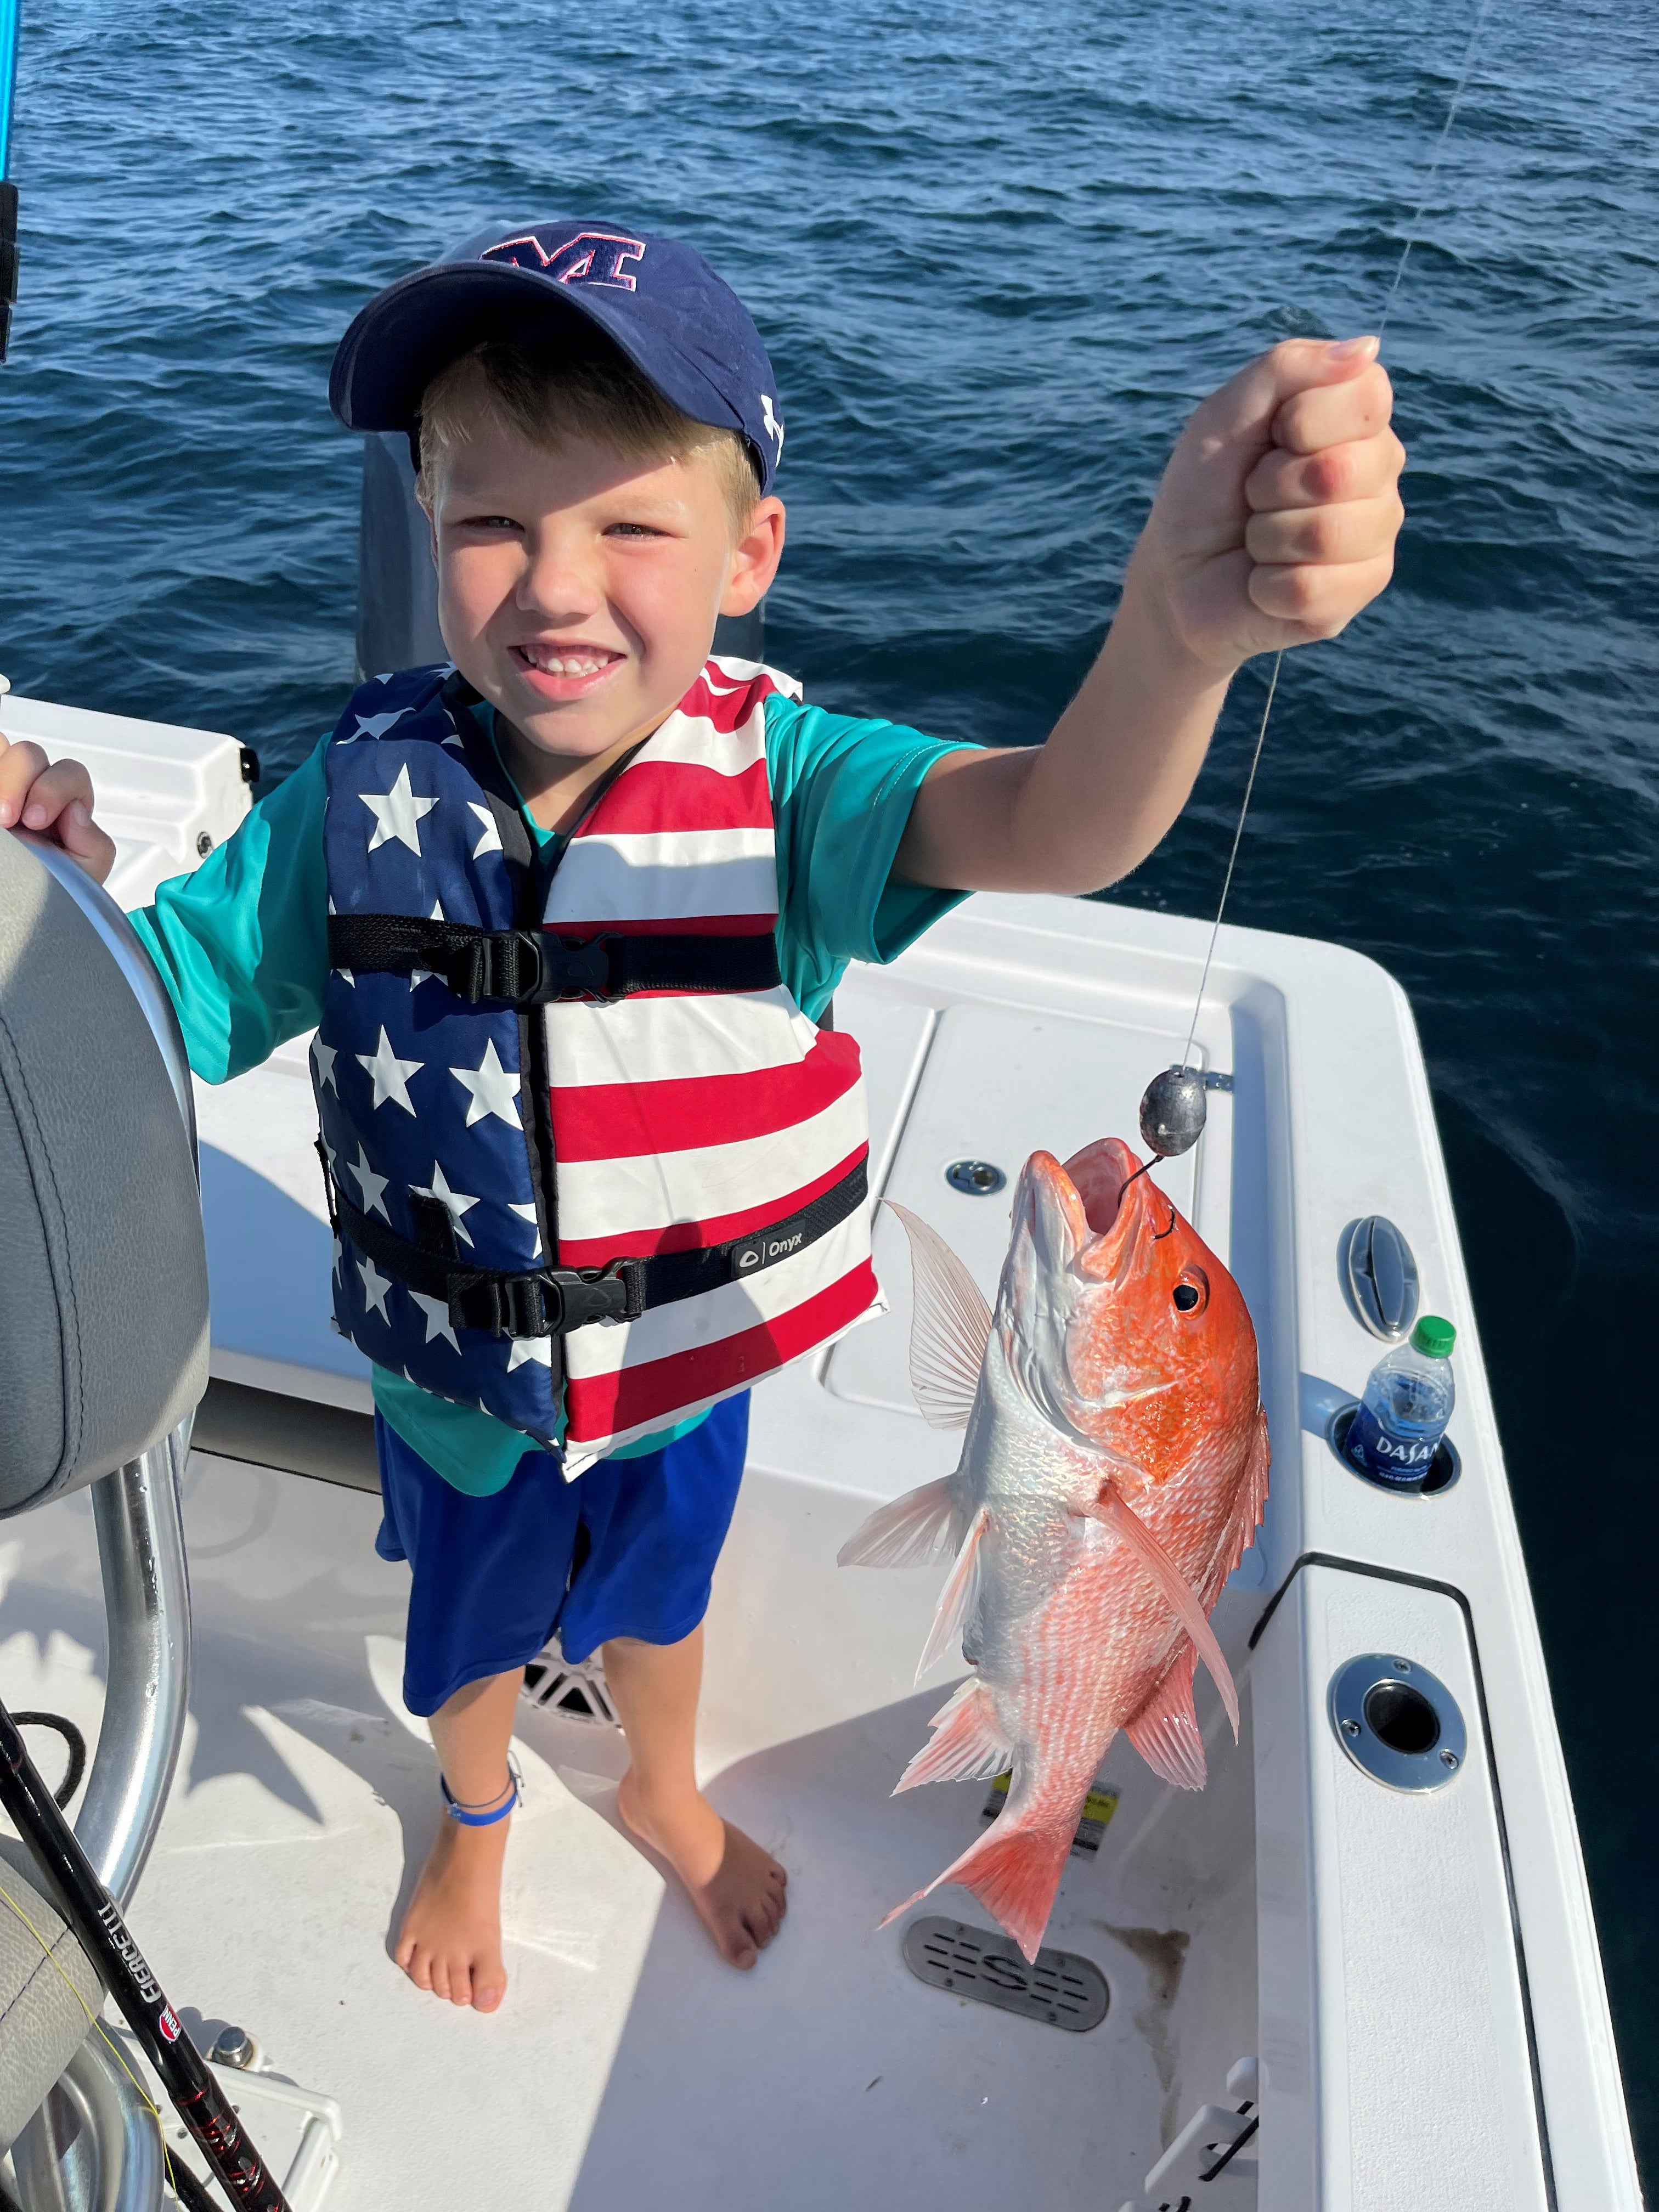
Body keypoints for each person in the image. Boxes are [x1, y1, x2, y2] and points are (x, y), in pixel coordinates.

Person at [0, 219, 1404, 2013]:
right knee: (474, 1639)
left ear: (752, 556)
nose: (554, 584)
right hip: (456, 1386)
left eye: (630, 525)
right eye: (492, 520)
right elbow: (154, 1011)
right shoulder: (346, 806)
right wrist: (46, 910)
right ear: (428, 536)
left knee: (665, 1609)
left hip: (694, 1371)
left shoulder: (802, 793)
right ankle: (479, 1810)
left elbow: (1062, 819)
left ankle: (662, 1783)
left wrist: (1180, 634)